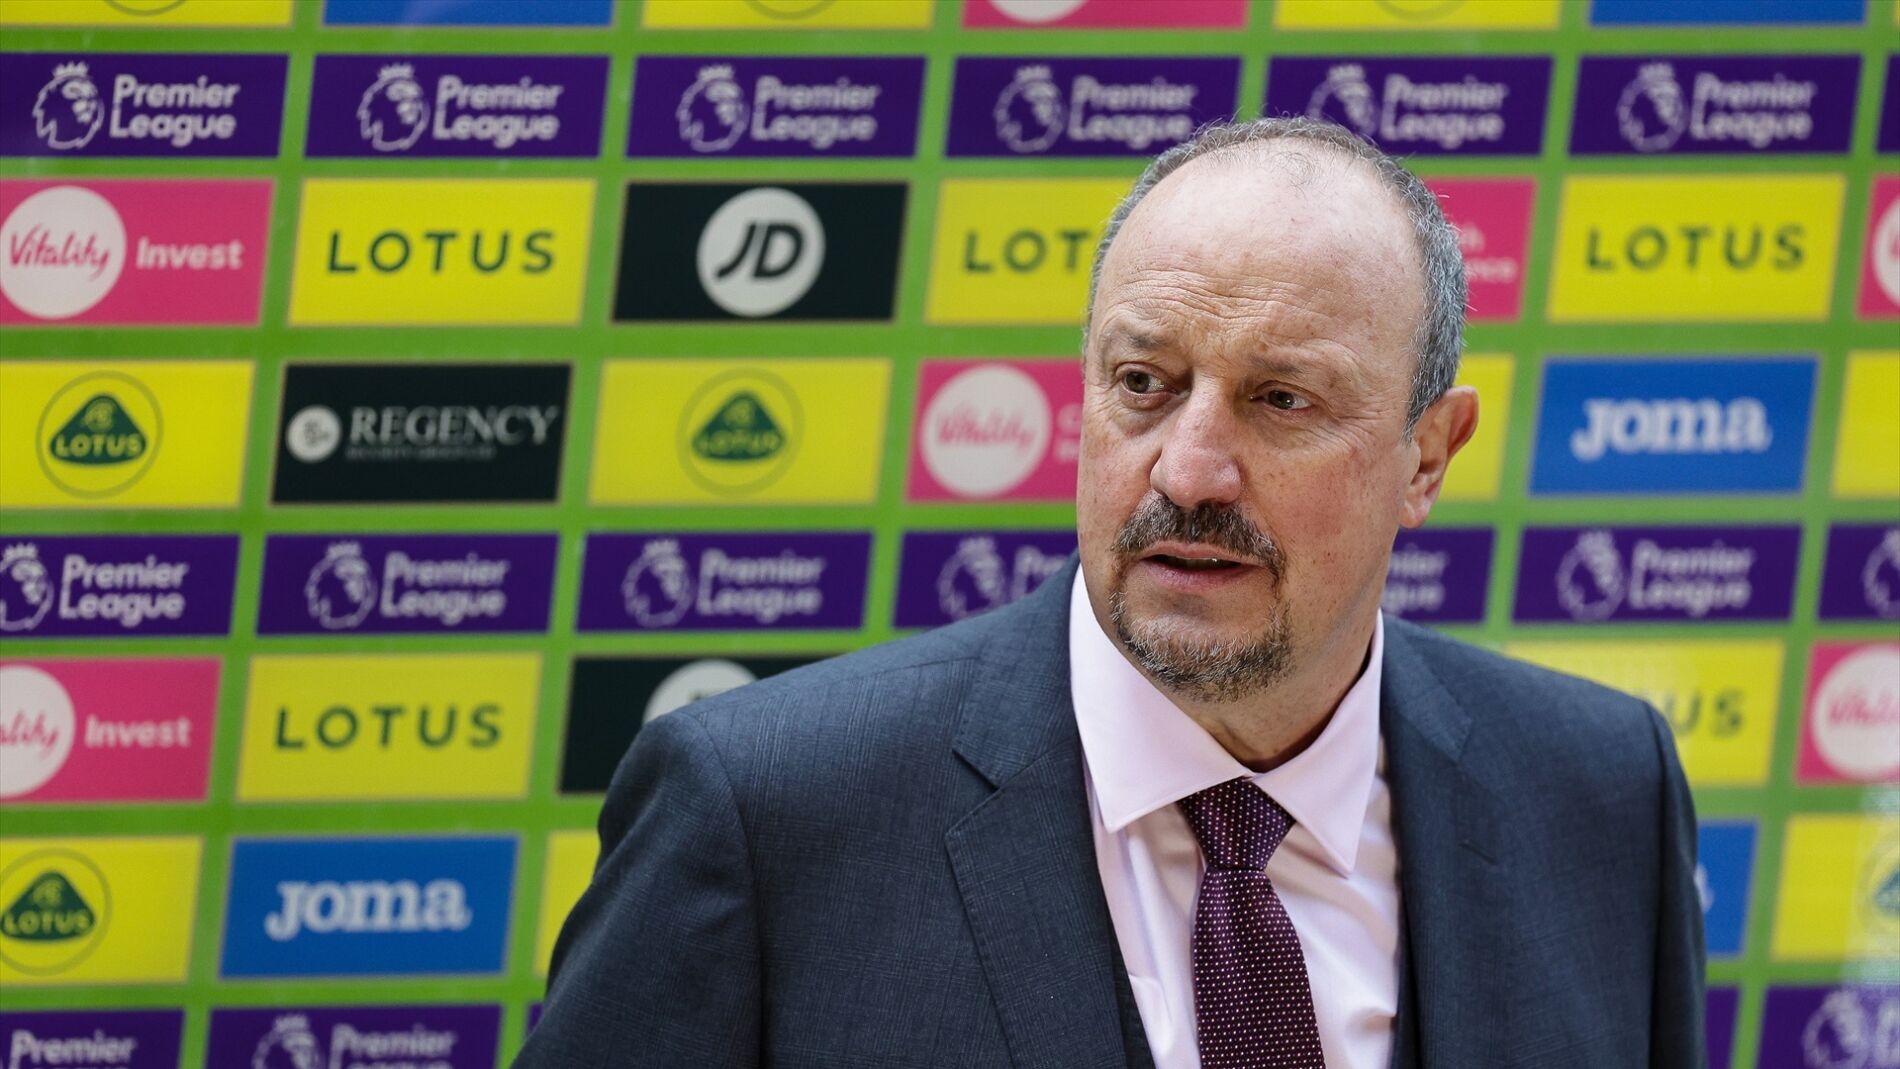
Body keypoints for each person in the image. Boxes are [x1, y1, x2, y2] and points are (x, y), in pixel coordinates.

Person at [518, 117, 1704, 1069]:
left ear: (1428, 455)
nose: (1187, 470)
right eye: (1144, 382)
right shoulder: (767, 811)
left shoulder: (1602, 791)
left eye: (1281, 400)